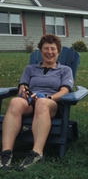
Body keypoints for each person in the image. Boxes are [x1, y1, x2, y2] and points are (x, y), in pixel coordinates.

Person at [0, 34, 74, 171]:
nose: (49, 52)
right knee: (15, 102)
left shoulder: (65, 70)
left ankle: (37, 153)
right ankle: (6, 153)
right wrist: (24, 93)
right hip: (30, 100)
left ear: (58, 51)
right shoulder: (30, 69)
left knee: (41, 103)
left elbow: (64, 91)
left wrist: (48, 98)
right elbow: (23, 86)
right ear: (41, 51)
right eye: (46, 48)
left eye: (53, 49)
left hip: (51, 104)